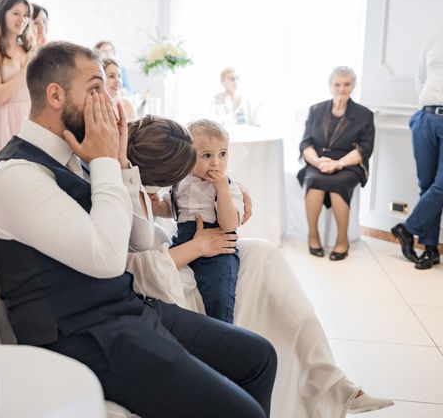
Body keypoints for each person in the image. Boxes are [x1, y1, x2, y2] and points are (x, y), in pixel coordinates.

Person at [0, 41, 277, 418]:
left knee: (259, 357)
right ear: (55, 95)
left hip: (126, 311)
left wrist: (118, 163)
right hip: (81, 337)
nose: (108, 100)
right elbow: (106, 260)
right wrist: (102, 161)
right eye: (96, 88)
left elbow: (139, 238)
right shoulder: (16, 176)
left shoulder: (76, 156)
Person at [125, 114, 394, 418]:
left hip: (198, 250)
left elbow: (196, 192)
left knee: (267, 254)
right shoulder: (120, 191)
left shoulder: (143, 176)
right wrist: (197, 245)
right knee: (244, 283)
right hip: (173, 269)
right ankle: (234, 357)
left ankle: (331, 381)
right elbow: (129, 268)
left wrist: (229, 188)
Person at [153, 119, 242, 323]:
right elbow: (174, 209)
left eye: (223, 153)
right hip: (184, 241)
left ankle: (222, 329)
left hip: (219, 246)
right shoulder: (180, 180)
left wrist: (222, 192)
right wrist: (158, 205)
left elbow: (229, 225)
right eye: (207, 155)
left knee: (219, 291)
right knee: (169, 281)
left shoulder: (227, 186)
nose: (216, 162)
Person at [298, 66, 374, 260]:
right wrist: (316, 161)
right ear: (330, 86)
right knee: (314, 181)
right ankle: (313, 235)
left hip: (349, 164)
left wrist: (338, 164)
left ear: (353, 85)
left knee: (338, 183)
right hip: (318, 161)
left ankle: (342, 240)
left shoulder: (364, 114)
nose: (342, 89)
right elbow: (306, 143)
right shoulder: (316, 110)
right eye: (337, 84)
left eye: (347, 84)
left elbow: (364, 150)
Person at [392, 36, 443, 270]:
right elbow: (420, 79)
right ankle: (430, 250)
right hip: (426, 118)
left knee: (440, 186)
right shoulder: (433, 42)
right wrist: (424, 106)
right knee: (427, 185)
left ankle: (407, 228)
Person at [0, 0, 35, 156]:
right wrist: (26, 69)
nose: (22, 19)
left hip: (30, 115)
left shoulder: (29, 49)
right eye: (16, 14)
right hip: (4, 118)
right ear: (2, 14)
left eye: (26, 15)